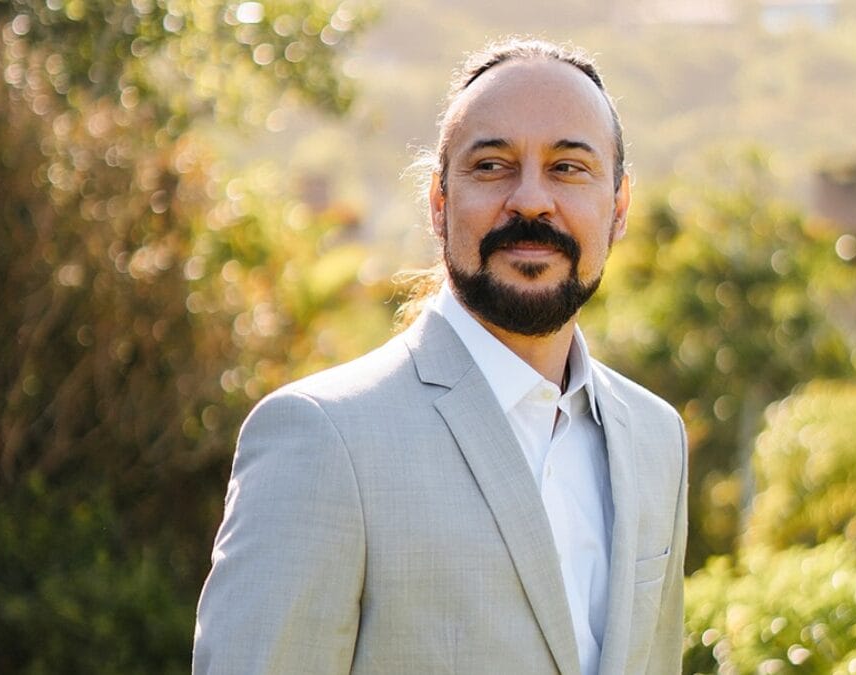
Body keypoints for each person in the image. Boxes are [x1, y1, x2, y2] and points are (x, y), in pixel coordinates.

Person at [192, 37, 687, 675]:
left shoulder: (655, 438)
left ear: (618, 208)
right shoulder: (322, 437)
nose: (531, 200)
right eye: (491, 166)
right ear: (438, 202)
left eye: (568, 167)